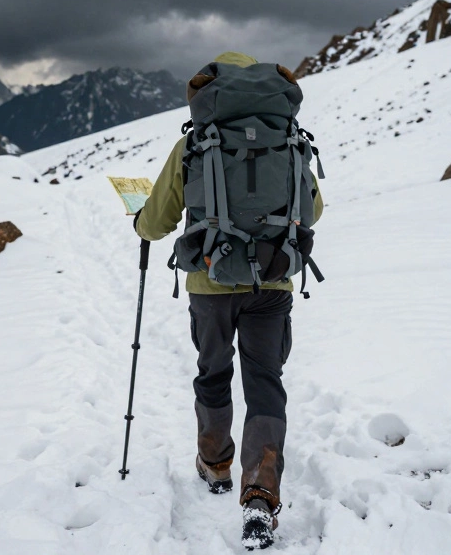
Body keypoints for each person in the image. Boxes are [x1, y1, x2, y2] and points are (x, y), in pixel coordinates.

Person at [133, 52, 323, 549]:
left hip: (211, 284)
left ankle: (215, 462)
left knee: (213, 370)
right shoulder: (291, 140)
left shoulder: (196, 142)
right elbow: (314, 207)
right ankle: (260, 493)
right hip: (274, 284)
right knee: (265, 382)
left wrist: (140, 222)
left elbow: (156, 221)